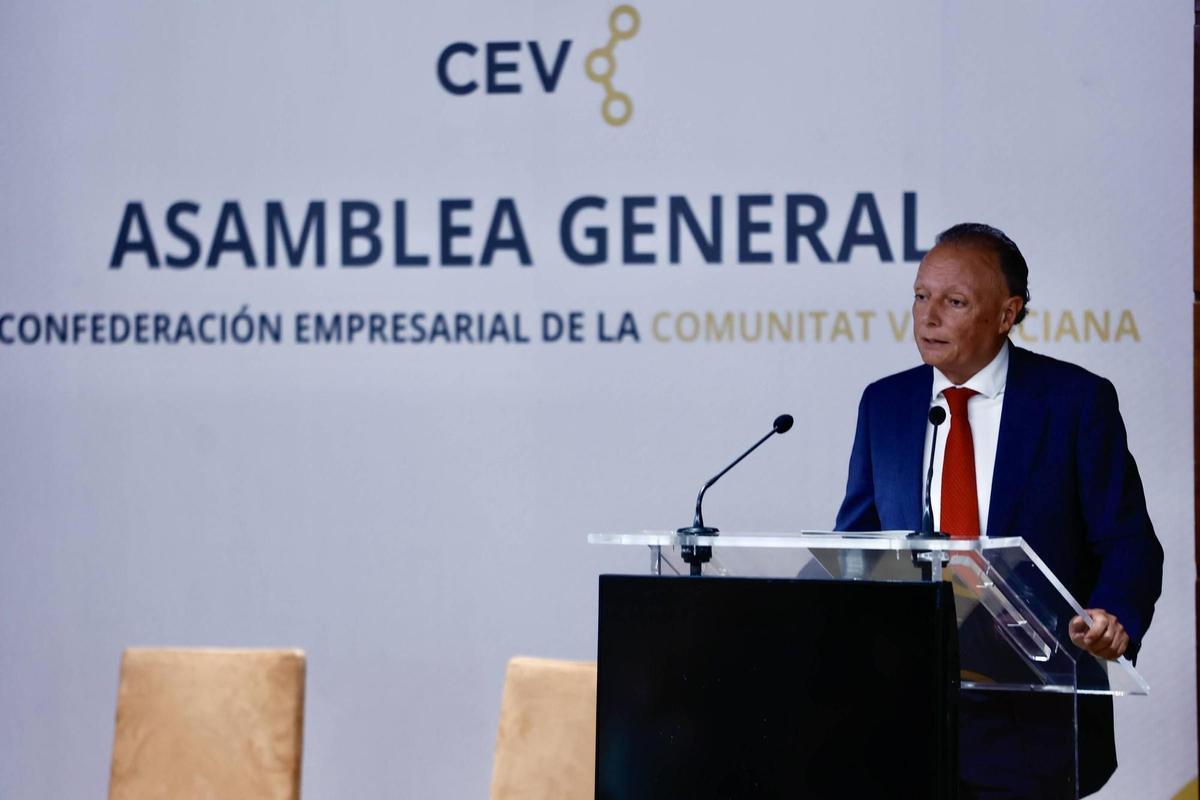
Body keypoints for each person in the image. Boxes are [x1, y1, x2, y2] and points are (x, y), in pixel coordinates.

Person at [834, 223, 1164, 797]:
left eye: (954, 302)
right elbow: (857, 544)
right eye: (920, 296)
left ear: (1007, 313)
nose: (928, 316)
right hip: (911, 712)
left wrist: (1111, 617)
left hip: (1034, 719)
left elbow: (1127, 543)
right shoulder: (885, 403)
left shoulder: (1073, 401)